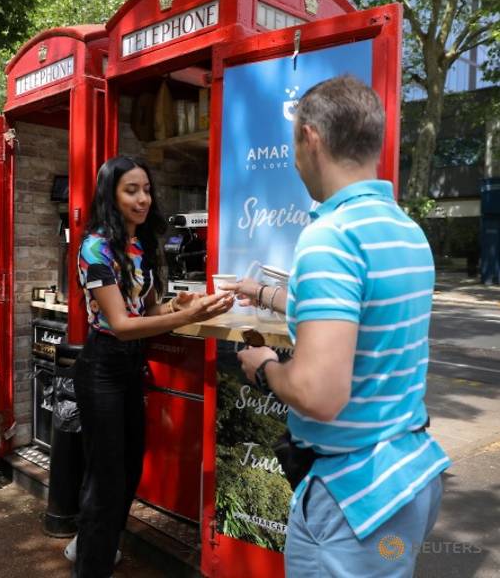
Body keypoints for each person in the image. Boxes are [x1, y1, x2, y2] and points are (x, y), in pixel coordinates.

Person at [223, 75, 450, 577]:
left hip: (352, 501)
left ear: (311, 138)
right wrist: (262, 293)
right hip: (408, 480)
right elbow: (360, 313)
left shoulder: (331, 237)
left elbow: (319, 393)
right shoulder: (406, 231)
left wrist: (264, 369)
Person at [71, 155, 233, 578]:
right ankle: (91, 566)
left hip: (128, 370)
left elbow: (145, 308)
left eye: (147, 190)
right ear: (111, 194)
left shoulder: (139, 245)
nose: (143, 199)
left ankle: (97, 552)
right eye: (132, 190)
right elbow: (123, 325)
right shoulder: (95, 248)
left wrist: (181, 306)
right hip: (102, 368)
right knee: (105, 481)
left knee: (127, 473)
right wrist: (184, 318)